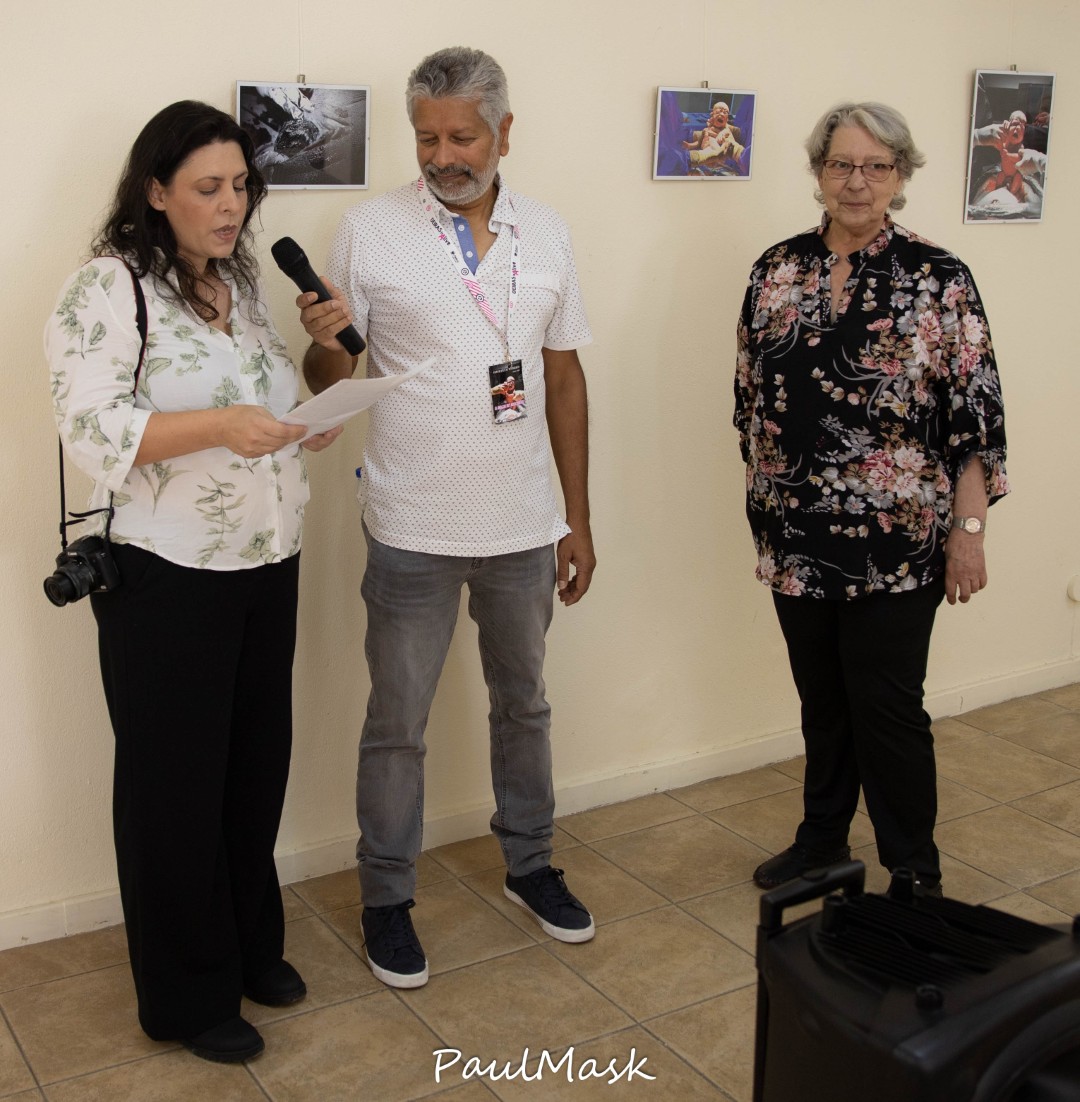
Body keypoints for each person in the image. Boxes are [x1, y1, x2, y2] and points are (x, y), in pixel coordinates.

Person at [44, 101, 341, 1062]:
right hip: (166, 574)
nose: (230, 206)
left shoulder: (241, 282)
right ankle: (184, 996)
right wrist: (220, 426)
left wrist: (321, 375)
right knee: (173, 788)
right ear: (156, 191)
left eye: (241, 186)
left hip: (267, 561)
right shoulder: (108, 288)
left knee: (253, 769)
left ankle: (249, 948)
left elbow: (285, 406)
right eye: (208, 188)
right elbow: (91, 429)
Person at [298, 47, 596, 989]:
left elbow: (562, 378)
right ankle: (387, 899)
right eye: (426, 137)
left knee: (525, 705)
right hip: (411, 524)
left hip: (523, 523)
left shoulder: (548, 231)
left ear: (504, 132)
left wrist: (576, 520)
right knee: (397, 721)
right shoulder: (368, 231)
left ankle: (531, 863)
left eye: (461, 136)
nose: (441, 155)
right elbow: (331, 376)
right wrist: (325, 345)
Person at [734, 102, 1008, 899]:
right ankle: (822, 842)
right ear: (819, 172)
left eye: (876, 167)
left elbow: (975, 417)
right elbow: (750, 397)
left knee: (886, 708)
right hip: (795, 535)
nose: (856, 182)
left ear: (899, 176)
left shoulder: (939, 277)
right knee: (822, 703)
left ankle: (914, 871)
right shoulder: (775, 270)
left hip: (898, 539)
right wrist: (768, 508)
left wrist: (968, 530)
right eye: (841, 165)